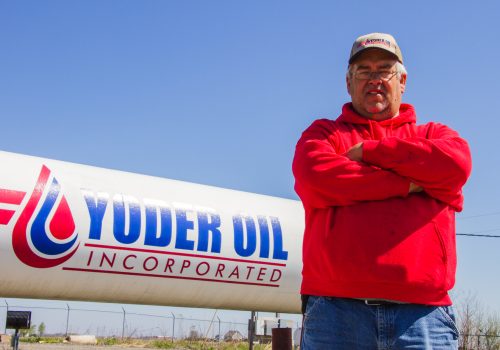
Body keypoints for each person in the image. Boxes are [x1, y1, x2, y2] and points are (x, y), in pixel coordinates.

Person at [292, 33, 472, 349]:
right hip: (336, 313)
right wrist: (411, 182)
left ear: (402, 81)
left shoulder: (434, 134)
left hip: (423, 317)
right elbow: (314, 176)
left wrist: (370, 153)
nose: (374, 79)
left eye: (384, 69)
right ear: (348, 83)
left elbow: (456, 166)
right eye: (364, 71)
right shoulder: (325, 133)